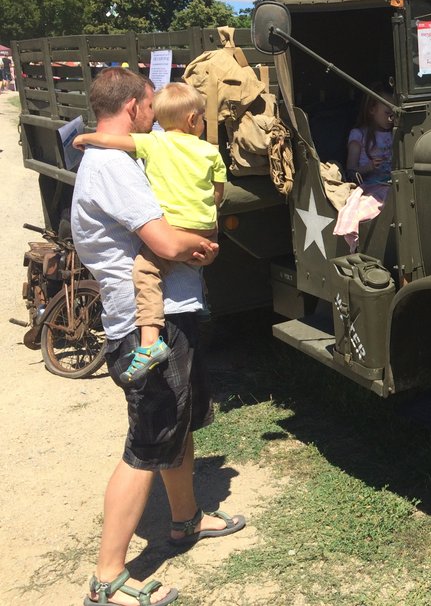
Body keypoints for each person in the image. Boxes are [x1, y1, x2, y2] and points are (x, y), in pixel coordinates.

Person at [72, 68, 244, 606]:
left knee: (178, 423)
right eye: (149, 106)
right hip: (152, 322)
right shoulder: (111, 166)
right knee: (146, 441)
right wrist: (199, 245)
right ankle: (107, 576)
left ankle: (185, 519)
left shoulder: (121, 156)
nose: (155, 115)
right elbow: (164, 241)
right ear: (134, 109)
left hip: (174, 311)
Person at [74, 82, 226, 384]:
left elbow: (167, 247)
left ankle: (150, 341)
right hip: (205, 226)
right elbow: (217, 194)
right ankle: (205, 303)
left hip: (175, 244)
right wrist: (207, 231)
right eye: (148, 108)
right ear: (194, 120)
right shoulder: (210, 151)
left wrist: (84, 137)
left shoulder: (154, 144)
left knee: (145, 270)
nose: (152, 117)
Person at [346, 87, 395, 186]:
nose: (391, 118)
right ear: (372, 110)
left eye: (394, 114)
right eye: (387, 113)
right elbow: (350, 171)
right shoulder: (359, 135)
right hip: (370, 186)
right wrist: (369, 167)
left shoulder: (395, 133)